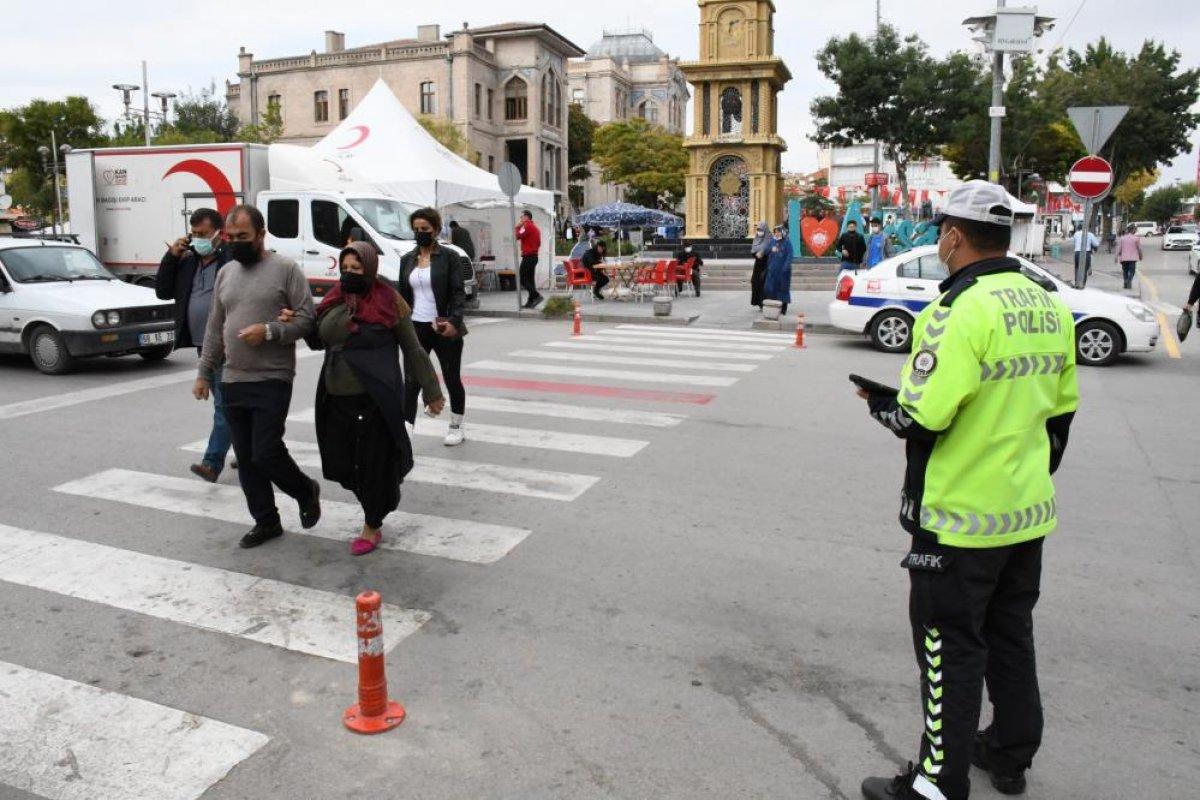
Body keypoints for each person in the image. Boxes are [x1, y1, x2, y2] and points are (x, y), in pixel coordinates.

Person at [856, 181, 1079, 800]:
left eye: (939, 231)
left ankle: (936, 784)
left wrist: (880, 404)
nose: (937, 240)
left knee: (949, 650)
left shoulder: (958, 311)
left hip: (957, 519)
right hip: (1025, 513)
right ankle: (1008, 755)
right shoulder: (1048, 305)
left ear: (954, 235)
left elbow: (921, 417)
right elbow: (1060, 416)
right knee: (1011, 637)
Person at [282, 242, 445, 555]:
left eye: (356, 269)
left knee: (372, 464)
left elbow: (412, 349)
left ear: (370, 269)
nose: (350, 274)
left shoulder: (389, 301)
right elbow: (317, 340)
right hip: (334, 396)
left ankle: (372, 523)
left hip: (375, 399)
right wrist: (295, 323)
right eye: (345, 268)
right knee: (344, 464)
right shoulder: (334, 299)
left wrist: (432, 390)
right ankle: (382, 496)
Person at [193, 205, 321, 549]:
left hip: (273, 375)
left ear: (261, 235)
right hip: (232, 378)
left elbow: (307, 320)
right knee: (247, 459)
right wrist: (205, 373)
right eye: (230, 238)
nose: (235, 243)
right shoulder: (226, 273)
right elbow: (215, 328)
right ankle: (266, 522)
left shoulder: (286, 269)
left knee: (265, 451)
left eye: (243, 238)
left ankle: (305, 489)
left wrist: (268, 331)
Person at [157, 208, 233, 483]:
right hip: (203, 344)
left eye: (203, 234)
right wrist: (171, 256)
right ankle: (249, 446)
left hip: (226, 343)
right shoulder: (188, 261)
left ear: (218, 233)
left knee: (224, 406)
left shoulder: (229, 260)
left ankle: (212, 463)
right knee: (228, 404)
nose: (197, 238)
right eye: (194, 233)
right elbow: (162, 291)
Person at [400, 207, 470, 446]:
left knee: (451, 377)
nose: (420, 233)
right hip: (415, 327)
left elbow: (458, 293)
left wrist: (454, 321)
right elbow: (402, 297)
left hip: (443, 327)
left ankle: (456, 425)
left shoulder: (449, 257)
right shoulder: (407, 260)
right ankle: (406, 429)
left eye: (425, 229)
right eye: (417, 229)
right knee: (411, 380)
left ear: (436, 230)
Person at [762, 224, 793, 315]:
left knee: (783, 289)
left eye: (779, 232)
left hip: (783, 271)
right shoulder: (772, 242)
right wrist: (771, 249)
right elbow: (765, 251)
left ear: (782, 232)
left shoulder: (787, 242)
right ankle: (773, 307)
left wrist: (785, 267)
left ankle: (783, 308)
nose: (777, 234)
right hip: (772, 270)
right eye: (775, 232)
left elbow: (790, 255)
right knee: (770, 288)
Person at [516, 210, 543, 308]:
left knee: (522, 279)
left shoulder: (527, 226)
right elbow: (539, 243)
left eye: (521, 216)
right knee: (530, 280)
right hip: (534, 256)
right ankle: (530, 301)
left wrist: (517, 226)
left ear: (526, 217)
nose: (520, 219)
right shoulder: (535, 228)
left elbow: (517, 236)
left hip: (528, 256)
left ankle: (536, 295)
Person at [750, 221, 770, 309]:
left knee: (763, 283)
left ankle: (764, 303)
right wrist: (756, 253)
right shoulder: (756, 238)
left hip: (766, 265)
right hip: (757, 265)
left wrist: (763, 252)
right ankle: (758, 302)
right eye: (758, 229)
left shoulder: (769, 239)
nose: (759, 231)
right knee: (754, 282)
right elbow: (753, 250)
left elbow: (770, 250)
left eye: (761, 229)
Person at [1115, 225, 1143, 290]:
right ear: (1133, 230)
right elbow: (1139, 249)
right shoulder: (1136, 238)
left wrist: (1116, 257)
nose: (1136, 231)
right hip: (1132, 259)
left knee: (1125, 271)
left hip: (1124, 258)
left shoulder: (1122, 238)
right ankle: (1129, 281)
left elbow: (1119, 248)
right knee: (1132, 271)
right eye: (1135, 230)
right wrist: (1141, 256)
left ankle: (1125, 283)